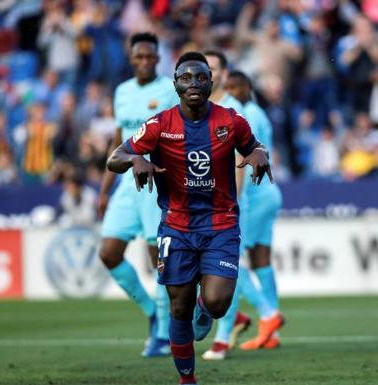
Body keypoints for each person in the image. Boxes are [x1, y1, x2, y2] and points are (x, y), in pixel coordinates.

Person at [106, 51, 273, 385]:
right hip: (177, 226)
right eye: (187, 78)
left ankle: (205, 308)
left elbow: (255, 147)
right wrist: (135, 161)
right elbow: (115, 157)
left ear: (211, 83)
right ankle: (188, 379)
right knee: (177, 307)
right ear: (176, 84)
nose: (194, 83)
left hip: (221, 224)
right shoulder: (159, 125)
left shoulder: (231, 120)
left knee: (218, 302)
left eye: (201, 77)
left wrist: (257, 155)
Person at [97, 32, 179, 358]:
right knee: (108, 253)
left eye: (150, 56)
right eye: (139, 57)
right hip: (126, 184)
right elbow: (117, 142)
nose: (144, 61)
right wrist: (104, 189)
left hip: (156, 182)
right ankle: (151, 311)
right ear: (131, 60)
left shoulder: (169, 91)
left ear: (158, 59)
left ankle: (163, 334)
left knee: (156, 258)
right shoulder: (122, 92)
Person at [202, 70, 285, 360]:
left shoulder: (240, 114)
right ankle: (270, 332)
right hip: (268, 192)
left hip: (251, 194)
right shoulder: (257, 111)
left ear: (248, 87)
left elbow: (240, 159)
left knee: (229, 262)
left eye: (237, 87)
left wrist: (232, 199)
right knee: (261, 258)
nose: (233, 91)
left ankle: (262, 315)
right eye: (229, 87)